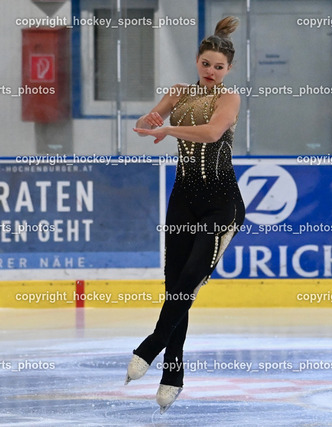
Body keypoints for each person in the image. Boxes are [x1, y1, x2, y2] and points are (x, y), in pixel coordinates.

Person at [126, 16, 245, 414]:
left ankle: (151, 347)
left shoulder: (229, 99)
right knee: (175, 287)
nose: (211, 71)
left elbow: (211, 133)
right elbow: (146, 123)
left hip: (220, 203)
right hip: (182, 201)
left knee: (189, 281)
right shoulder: (178, 93)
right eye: (206, 63)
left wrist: (168, 131)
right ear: (197, 61)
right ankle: (173, 373)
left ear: (228, 69)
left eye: (218, 66)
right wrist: (148, 122)